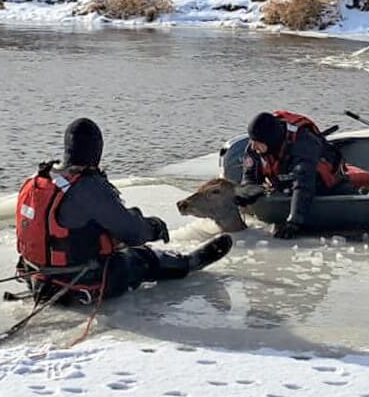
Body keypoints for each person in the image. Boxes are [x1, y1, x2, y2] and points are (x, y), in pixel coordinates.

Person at [15, 118, 233, 305]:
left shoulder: (40, 180)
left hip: (38, 280)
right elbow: (132, 232)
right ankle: (186, 263)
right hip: (80, 284)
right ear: (96, 150)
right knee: (139, 258)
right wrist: (154, 227)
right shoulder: (88, 187)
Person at [239, 110, 355, 238]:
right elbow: (249, 178)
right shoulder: (254, 149)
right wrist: (246, 194)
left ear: (270, 140)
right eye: (252, 140)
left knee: (350, 199)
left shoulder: (303, 142)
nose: (253, 146)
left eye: (257, 142)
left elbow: (303, 183)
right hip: (286, 186)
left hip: (324, 186)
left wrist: (294, 221)